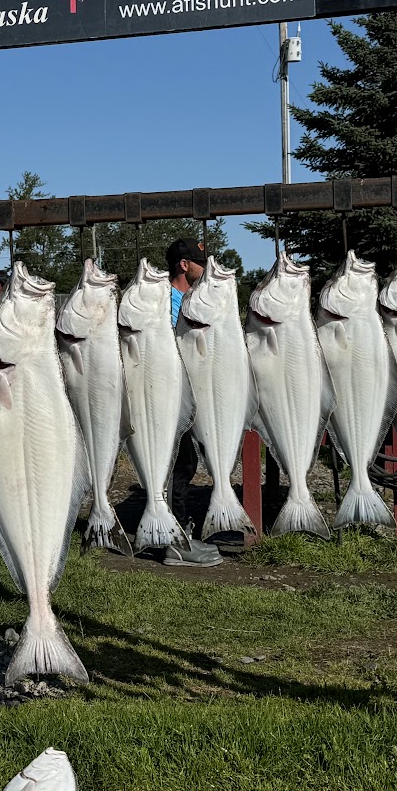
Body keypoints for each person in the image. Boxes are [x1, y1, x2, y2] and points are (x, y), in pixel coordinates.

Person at [154, 237, 223, 568]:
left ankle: (177, 533)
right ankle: (174, 542)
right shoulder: (167, 300)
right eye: (200, 262)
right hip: (169, 400)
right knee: (177, 467)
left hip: (188, 396)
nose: (204, 267)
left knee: (186, 465)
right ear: (184, 265)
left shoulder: (189, 299)